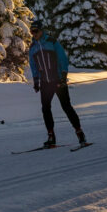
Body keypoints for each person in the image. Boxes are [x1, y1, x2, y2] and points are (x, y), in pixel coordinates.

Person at [27, 19, 86, 148]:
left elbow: (63, 58)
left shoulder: (52, 42)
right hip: (45, 83)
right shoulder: (32, 48)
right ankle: (51, 136)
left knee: (66, 107)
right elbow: (33, 66)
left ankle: (80, 133)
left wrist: (63, 76)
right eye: (31, 31)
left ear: (42, 31)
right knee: (45, 108)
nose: (34, 34)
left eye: (35, 31)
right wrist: (36, 81)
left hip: (58, 80)